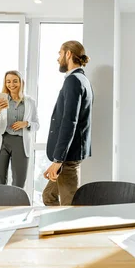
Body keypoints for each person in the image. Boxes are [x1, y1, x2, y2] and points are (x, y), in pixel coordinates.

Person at [43, 40, 93, 206]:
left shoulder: (73, 81)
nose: (58, 58)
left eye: (59, 53)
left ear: (68, 54)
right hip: (70, 154)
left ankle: (68, 230)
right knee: (48, 196)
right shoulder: (82, 80)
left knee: (70, 206)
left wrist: (58, 159)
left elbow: (70, 121)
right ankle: (57, 226)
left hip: (67, 157)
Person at [0, 70, 40, 188]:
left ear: (21, 83)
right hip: (2, 142)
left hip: (21, 142)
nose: (12, 84)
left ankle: (17, 206)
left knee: (19, 182)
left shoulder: (30, 102)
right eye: (8, 81)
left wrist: (26, 123)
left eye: (15, 81)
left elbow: (36, 124)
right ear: (5, 83)